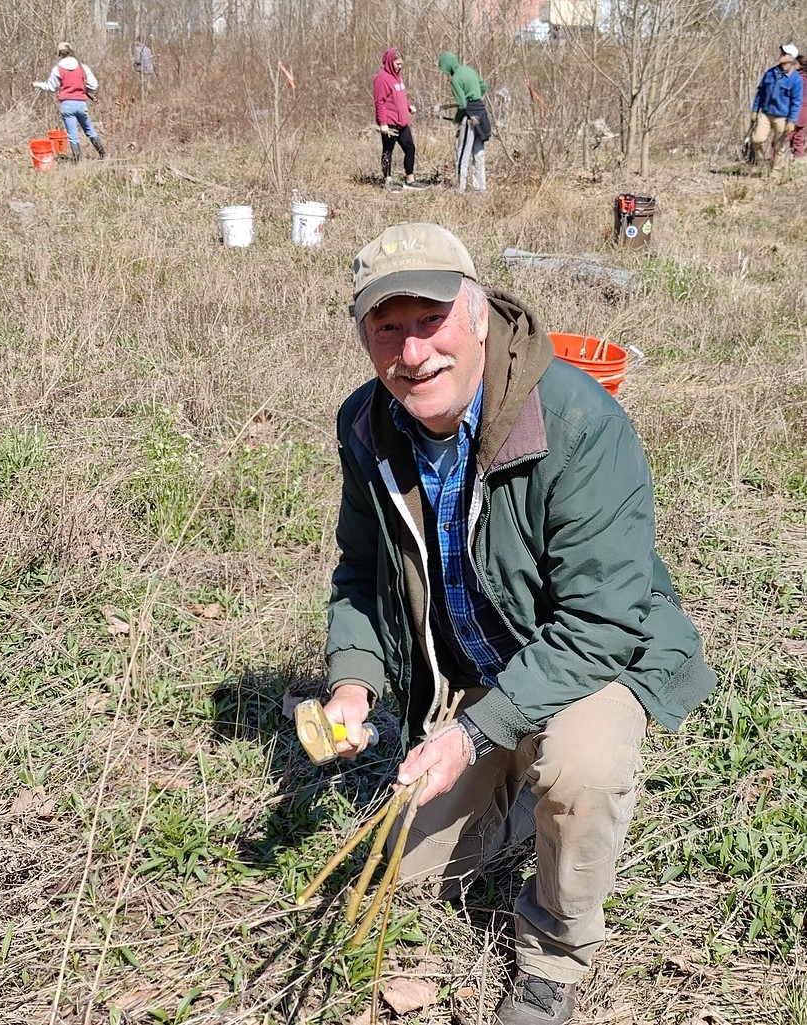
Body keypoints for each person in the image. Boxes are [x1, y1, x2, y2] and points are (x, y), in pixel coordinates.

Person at [321, 222, 717, 1024]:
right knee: (412, 875)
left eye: (428, 320)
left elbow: (601, 622)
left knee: (583, 764)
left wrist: (472, 734)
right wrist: (354, 685)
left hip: (591, 658)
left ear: (477, 315)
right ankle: (506, 786)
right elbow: (359, 574)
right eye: (386, 327)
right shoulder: (367, 425)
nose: (412, 351)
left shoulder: (577, 422)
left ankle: (555, 958)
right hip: (470, 671)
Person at [34, 43, 106, 161]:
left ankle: (78, 161)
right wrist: (84, 89)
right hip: (81, 103)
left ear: (59, 54)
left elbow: (51, 87)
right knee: (89, 130)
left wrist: (37, 84)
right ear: (72, 51)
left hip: (66, 104)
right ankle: (103, 155)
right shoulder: (82, 67)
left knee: (73, 136)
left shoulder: (57, 69)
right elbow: (94, 84)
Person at [437, 51, 491, 193]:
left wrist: (457, 119)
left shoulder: (455, 79)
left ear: (448, 67)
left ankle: (461, 190)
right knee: (478, 153)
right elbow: (484, 86)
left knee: (463, 153)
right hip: (481, 112)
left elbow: (462, 105)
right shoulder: (468, 70)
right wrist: (474, 96)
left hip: (470, 117)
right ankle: (481, 189)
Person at [373, 48, 424, 192]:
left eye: (401, 64)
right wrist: (382, 124)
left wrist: (409, 106)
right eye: (397, 64)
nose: (400, 67)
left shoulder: (398, 77)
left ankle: (410, 179)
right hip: (390, 122)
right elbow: (380, 102)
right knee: (388, 151)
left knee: (410, 148)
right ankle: (388, 181)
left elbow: (400, 98)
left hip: (403, 122)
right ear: (390, 62)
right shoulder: (381, 79)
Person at [750, 43, 803, 168]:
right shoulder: (770, 73)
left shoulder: (795, 79)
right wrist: (755, 110)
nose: (781, 56)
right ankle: (762, 165)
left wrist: (792, 121)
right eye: (782, 53)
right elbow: (760, 93)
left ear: (791, 59)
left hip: (782, 117)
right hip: (766, 114)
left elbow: (796, 102)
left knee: (779, 146)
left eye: (785, 54)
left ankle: (776, 173)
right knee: (757, 139)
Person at [786, 54, 807, 158]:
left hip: (796, 111)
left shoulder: (797, 78)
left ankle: (773, 159)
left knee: (784, 136)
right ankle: (798, 158)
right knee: (799, 137)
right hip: (804, 112)